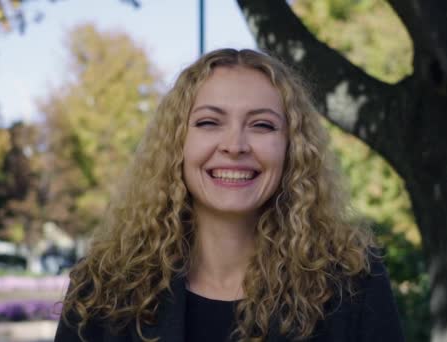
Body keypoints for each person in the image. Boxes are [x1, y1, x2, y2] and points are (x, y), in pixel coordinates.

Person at [54, 48, 404, 342]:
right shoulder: (103, 289)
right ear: (177, 144)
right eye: (209, 122)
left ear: (292, 149)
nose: (234, 146)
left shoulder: (353, 283)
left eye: (262, 125)